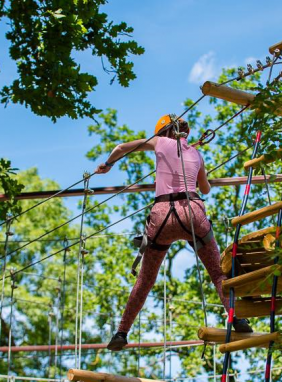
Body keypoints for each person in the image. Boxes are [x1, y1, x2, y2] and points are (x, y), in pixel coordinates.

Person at [94, 114, 253, 352]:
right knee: (218, 272)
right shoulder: (197, 154)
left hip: (161, 217)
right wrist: (199, 174)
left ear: (162, 132)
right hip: (193, 214)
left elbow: (120, 148)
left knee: (145, 280)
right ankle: (237, 317)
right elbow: (206, 189)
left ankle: (121, 332)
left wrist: (108, 164)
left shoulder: (159, 142)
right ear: (185, 132)